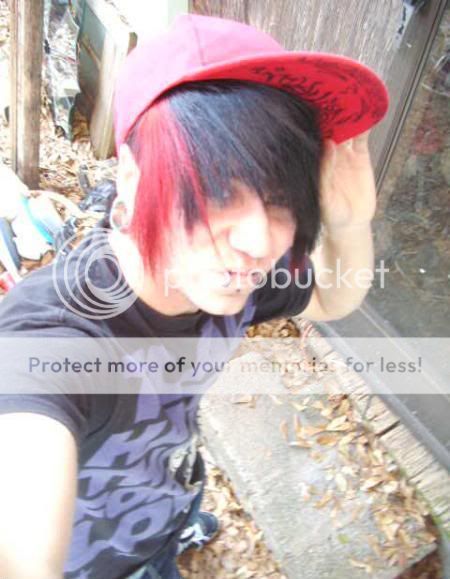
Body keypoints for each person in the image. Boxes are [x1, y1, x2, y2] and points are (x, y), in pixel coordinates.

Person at [0, 13, 388, 579]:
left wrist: (350, 225)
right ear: (131, 178)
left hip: (168, 500)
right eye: (216, 189)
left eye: (281, 197)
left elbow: (331, 299)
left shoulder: (229, 276)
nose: (260, 242)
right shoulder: (59, 337)